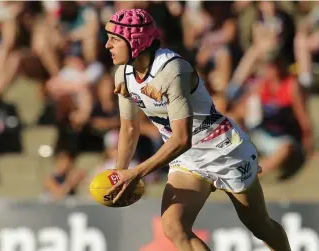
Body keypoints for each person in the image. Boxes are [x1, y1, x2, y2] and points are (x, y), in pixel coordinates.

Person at [102, 9, 291, 251]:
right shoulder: (123, 74)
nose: (107, 45)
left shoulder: (172, 70)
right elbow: (129, 127)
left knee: (259, 225)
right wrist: (120, 174)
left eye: (114, 39)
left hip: (224, 151)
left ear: (135, 40)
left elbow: (182, 138)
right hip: (189, 160)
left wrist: (137, 172)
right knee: (173, 226)